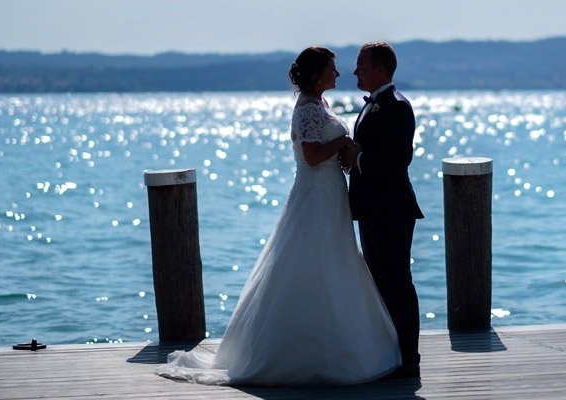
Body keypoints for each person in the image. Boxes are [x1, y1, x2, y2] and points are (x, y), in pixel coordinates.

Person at [155, 46, 401, 386]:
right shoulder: (306, 110)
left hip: (330, 196)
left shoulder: (320, 105)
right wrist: (343, 141)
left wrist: (346, 154)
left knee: (335, 263)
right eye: (333, 68)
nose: (339, 74)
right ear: (317, 75)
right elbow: (312, 157)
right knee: (310, 263)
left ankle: (334, 344)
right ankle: (298, 351)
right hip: (316, 196)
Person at [341, 42, 425, 380]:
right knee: (380, 282)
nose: (355, 72)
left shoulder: (398, 107)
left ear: (380, 70)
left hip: (392, 209)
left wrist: (357, 159)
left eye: (361, 66)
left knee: (398, 282)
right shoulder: (372, 105)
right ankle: (390, 353)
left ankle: (409, 359)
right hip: (371, 208)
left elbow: (399, 158)